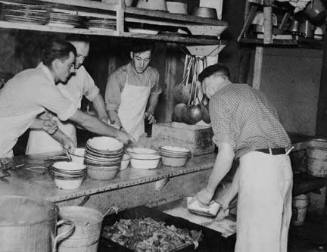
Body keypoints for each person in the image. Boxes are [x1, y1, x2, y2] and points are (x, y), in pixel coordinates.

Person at [193, 64, 293, 252]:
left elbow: (227, 153)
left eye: (204, 91)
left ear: (208, 85)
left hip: (262, 174)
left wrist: (208, 190)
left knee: (253, 244)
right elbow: (251, 158)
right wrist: (225, 201)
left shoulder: (219, 98)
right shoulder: (256, 94)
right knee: (274, 242)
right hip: (283, 166)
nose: (206, 96)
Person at [0, 38, 131, 158]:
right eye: (69, 65)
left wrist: (61, 137)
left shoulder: (33, 76)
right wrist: (117, 134)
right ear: (57, 64)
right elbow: (83, 120)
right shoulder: (42, 85)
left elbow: (16, 117)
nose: (73, 70)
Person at [26, 35, 109, 154]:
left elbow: (94, 93)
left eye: (84, 57)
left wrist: (103, 116)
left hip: (69, 142)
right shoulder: (46, 71)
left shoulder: (81, 71)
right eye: (78, 55)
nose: (80, 61)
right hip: (43, 144)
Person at [105, 42, 161, 141]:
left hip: (139, 132)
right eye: (138, 59)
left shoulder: (153, 75)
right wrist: (121, 132)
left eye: (146, 60)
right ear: (131, 55)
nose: (142, 64)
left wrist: (151, 111)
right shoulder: (118, 76)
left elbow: (156, 92)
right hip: (116, 131)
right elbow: (111, 110)